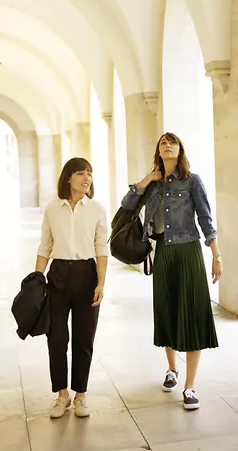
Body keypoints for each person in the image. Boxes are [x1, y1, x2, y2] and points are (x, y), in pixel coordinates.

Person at [120, 132, 221, 411]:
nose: (167, 145)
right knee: (167, 310)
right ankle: (172, 369)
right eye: (163, 142)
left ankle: (190, 386)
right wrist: (146, 180)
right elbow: (127, 206)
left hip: (188, 251)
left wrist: (216, 255)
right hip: (163, 251)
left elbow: (205, 219)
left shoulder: (192, 181)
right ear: (158, 151)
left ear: (180, 150)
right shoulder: (153, 185)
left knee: (191, 313)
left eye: (172, 142)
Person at [36, 157, 109, 419]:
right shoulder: (53, 208)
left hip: (87, 276)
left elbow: (102, 248)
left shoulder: (97, 209)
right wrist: (36, 280)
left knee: (83, 339)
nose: (86, 178)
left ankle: (80, 395)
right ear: (68, 177)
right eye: (81, 173)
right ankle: (61, 395)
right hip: (58, 276)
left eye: (89, 173)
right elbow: (45, 245)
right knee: (56, 339)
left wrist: (101, 282)